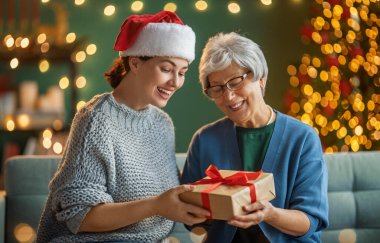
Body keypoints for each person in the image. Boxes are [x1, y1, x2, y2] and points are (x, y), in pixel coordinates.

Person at [37, 11, 209, 243]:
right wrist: (157, 205)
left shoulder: (162, 123)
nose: (176, 82)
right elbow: (81, 216)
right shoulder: (96, 119)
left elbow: (169, 196)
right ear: (135, 62)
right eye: (167, 69)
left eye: (182, 72)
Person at [181, 32, 329, 243]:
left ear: (260, 78)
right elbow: (192, 222)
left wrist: (269, 214)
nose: (229, 97)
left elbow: (310, 221)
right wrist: (201, 212)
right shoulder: (204, 140)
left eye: (235, 81)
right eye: (217, 88)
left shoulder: (303, 138)